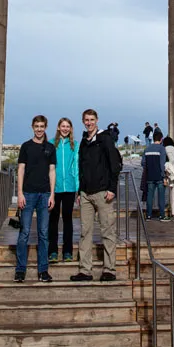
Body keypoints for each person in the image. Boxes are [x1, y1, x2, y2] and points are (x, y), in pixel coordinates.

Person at [71, 109, 122, 282]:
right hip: (85, 194)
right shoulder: (84, 142)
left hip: (102, 192)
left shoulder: (105, 139)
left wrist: (112, 188)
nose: (89, 122)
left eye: (92, 119)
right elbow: (81, 167)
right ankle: (85, 270)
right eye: (86, 120)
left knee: (107, 231)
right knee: (85, 232)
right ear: (83, 121)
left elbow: (114, 164)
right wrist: (80, 191)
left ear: (97, 120)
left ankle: (109, 269)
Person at [15, 115, 56, 283]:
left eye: (42, 126)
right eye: (36, 126)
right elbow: (20, 169)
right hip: (28, 193)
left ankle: (43, 270)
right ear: (32, 127)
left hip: (44, 194)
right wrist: (20, 193)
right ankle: (20, 270)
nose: (39, 129)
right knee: (24, 232)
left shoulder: (50, 147)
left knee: (43, 233)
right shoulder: (26, 146)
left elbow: (52, 171)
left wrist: (52, 194)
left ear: (45, 127)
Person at [48, 117, 79, 264]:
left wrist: (78, 188)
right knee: (53, 220)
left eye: (68, 126)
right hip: (55, 187)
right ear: (59, 127)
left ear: (71, 128)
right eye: (63, 126)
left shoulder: (75, 145)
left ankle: (68, 251)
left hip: (70, 187)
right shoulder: (51, 144)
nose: (65, 128)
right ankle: (52, 251)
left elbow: (77, 167)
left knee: (68, 219)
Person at [142, 128, 167, 220]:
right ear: (161, 139)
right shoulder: (162, 149)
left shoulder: (147, 149)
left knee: (150, 197)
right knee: (161, 197)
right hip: (159, 176)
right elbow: (162, 164)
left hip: (150, 176)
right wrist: (164, 176)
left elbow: (143, 163)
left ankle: (148, 215)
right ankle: (162, 215)